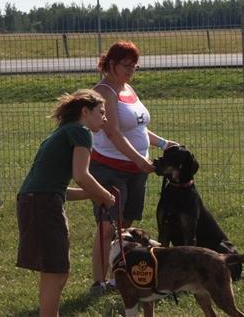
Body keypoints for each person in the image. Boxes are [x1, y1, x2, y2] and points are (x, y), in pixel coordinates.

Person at [16, 89, 116, 317]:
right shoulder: (81, 132)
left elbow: (57, 189)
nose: (105, 118)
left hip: (34, 202)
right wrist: (106, 196)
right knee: (57, 271)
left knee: (53, 271)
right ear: (85, 111)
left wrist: (93, 194)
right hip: (43, 205)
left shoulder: (62, 131)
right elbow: (81, 175)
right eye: (101, 112)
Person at [88, 40, 176, 295]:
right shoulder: (104, 91)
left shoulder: (128, 89)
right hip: (109, 169)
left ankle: (117, 277)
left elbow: (139, 127)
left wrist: (163, 143)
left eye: (134, 66)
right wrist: (138, 159)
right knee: (107, 226)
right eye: (126, 65)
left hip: (136, 171)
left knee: (124, 226)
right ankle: (98, 282)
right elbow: (113, 132)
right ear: (111, 64)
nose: (131, 70)